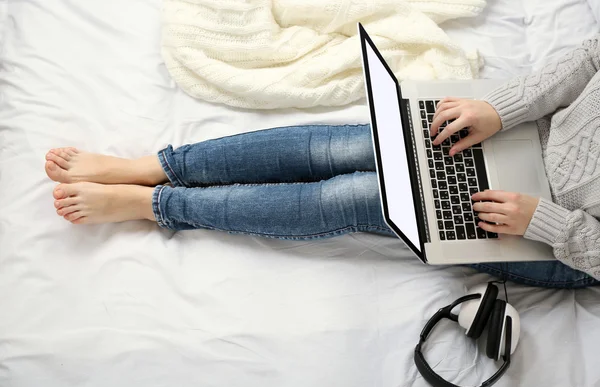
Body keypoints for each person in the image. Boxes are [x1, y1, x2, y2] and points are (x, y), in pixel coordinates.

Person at [45, 35, 600, 289]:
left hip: (560, 236)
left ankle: (155, 203)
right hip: (528, 130)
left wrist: (546, 223)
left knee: (360, 195)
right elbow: (590, 56)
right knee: (351, 148)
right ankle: (152, 167)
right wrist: (502, 109)